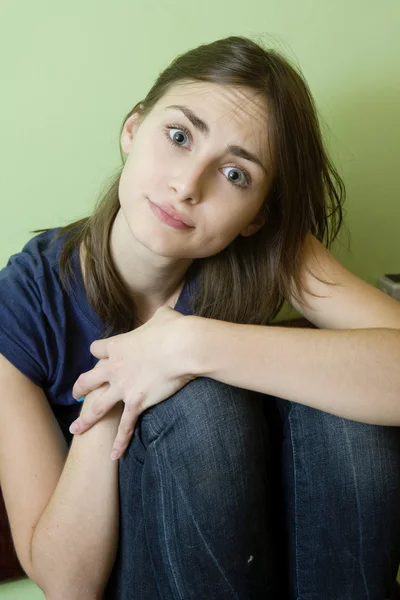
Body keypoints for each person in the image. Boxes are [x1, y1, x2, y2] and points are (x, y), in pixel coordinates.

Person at [0, 34, 399, 600]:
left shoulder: (267, 255)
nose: (187, 187)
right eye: (179, 137)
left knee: (345, 411)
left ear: (256, 217)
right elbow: (66, 585)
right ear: (133, 129)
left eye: (236, 175)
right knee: (201, 406)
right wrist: (119, 384)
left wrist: (189, 344)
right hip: (143, 575)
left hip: (272, 567)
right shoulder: (24, 301)